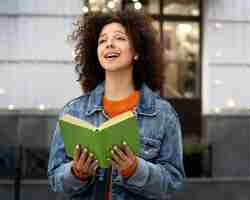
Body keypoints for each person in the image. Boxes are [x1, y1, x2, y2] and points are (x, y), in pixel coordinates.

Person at [48, 8, 185, 200]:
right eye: (102, 40)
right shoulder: (73, 111)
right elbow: (55, 181)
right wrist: (77, 173)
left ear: (137, 51)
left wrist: (135, 170)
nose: (109, 44)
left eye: (119, 38)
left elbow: (173, 183)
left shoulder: (163, 114)